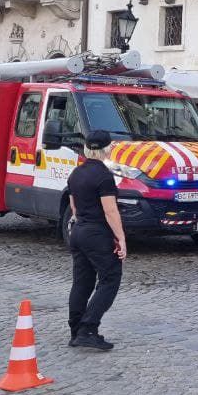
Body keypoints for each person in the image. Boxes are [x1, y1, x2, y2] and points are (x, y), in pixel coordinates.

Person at [65, 130, 127, 350]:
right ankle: (88, 328)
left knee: (82, 282)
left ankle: (75, 329)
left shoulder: (75, 173)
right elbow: (110, 211)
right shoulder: (104, 176)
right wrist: (121, 238)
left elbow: (74, 207)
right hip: (96, 233)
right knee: (110, 278)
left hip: (78, 231)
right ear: (107, 149)